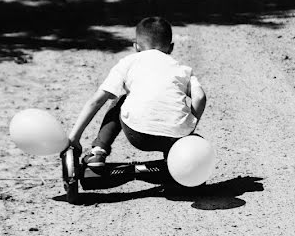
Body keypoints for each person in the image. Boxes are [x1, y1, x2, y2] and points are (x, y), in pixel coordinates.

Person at [67, 17, 206, 168]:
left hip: (138, 135)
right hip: (175, 137)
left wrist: (74, 137)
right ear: (171, 47)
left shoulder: (128, 62)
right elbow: (199, 97)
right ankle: (175, 157)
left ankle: (98, 151)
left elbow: (97, 100)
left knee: (120, 101)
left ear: (136, 47)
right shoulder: (183, 69)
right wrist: (188, 130)